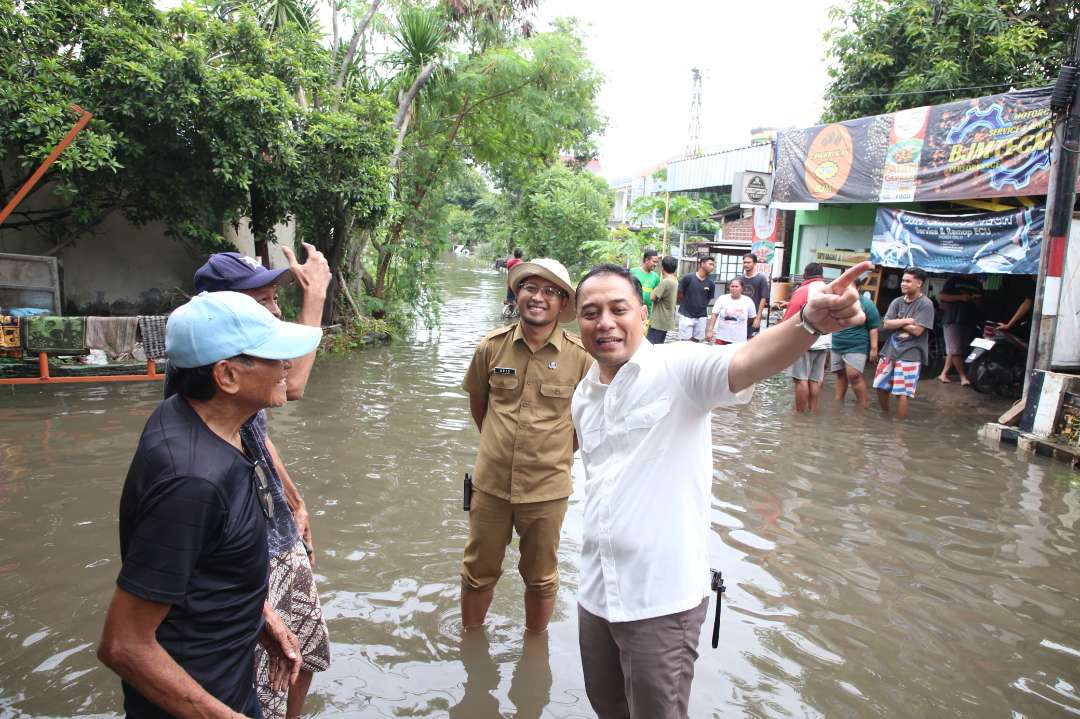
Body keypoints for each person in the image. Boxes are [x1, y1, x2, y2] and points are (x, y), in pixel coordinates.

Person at [571, 261, 871, 719]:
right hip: (595, 592)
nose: (605, 322)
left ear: (643, 316)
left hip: (660, 600)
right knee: (607, 708)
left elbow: (747, 359)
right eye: (591, 312)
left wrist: (808, 322)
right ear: (579, 322)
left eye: (618, 309)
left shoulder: (679, 368)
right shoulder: (583, 396)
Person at [97, 291, 323, 718]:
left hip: (228, 682)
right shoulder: (191, 481)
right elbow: (123, 644)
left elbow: (202, 566)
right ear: (227, 376)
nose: (287, 366)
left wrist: (262, 619)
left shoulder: (196, 421)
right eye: (272, 355)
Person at [171, 248, 334, 719]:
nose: (275, 310)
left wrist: (294, 500)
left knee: (304, 652)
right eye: (262, 301)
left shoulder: (241, 386)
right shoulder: (210, 380)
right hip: (246, 548)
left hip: (277, 528)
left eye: (273, 298)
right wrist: (316, 298)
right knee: (263, 676)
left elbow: (256, 431)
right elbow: (295, 383)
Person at [460, 258, 592, 634]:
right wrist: (497, 445)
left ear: (563, 303)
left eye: (550, 291)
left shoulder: (581, 358)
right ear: (517, 295)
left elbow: (587, 421)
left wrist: (557, 453)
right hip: (491, 485)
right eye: (530, 288)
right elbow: (480, 405)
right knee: (477, 571)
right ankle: (471, 642)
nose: (538, 297)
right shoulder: (491, 347)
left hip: (547, 490)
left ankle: (536, 645)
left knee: (542, 577)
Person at [874, 267, 934, 420]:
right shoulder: (897, 301)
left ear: (919, 283)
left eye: (908, 281)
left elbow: (918, 331)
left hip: (911, 353)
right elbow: (886, 324)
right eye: (903, 280)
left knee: (902, 392)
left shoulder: (925, 304)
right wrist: (907, 320)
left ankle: (898, 427)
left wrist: (897, 322)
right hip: (890, 350)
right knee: (880, 386)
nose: (903, 284)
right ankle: (886, 417)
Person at [782, 263, 830, 412]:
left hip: (804, 342)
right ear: (821, 275)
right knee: (815, 380)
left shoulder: (803, 290)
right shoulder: (830, 289)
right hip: (824, 341)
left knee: (801, 379)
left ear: (804, 274)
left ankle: (801, 416)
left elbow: (790, 316)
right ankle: (813, 412)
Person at [830, 277, 881, 408]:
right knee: (840, 375)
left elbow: (874, 326)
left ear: (858, 288)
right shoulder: (838, 302)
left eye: (849, 287)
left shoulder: (867, 304)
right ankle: (838, 403)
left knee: (854, 376)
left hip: (856, 345)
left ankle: (863, 406)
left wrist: (874, 348)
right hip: (837, 344)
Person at [937, 273, 982, 385]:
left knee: (956, 348)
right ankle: (963, 377)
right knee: (955, 350)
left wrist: (976, 301)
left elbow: (981, 303)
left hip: (968, 319)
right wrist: (961, 297)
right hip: (952, 318)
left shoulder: (977, 284)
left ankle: (944, 373)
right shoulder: (954, 280)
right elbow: (942, 296)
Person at [705, 277, 756, 345]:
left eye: (736, 286)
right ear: (729, 287)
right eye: (732, 286)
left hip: (739, 339)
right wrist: (710, 330)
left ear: (742, 288)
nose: (734, 288)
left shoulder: (748, 301)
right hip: (722, 337)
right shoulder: (722, 298)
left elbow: (751, 317)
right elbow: (714, 315)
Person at [676, 255, 715, 342]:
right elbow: (679, 294)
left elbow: (708, 299)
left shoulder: (711, 283)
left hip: (701, 317)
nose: (712, 267)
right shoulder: (688, 278)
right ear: (702, 264)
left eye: (713, 265)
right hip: (686, 314)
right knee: (685, 342)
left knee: (697, 342)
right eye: (710, 264)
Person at [646, 256, 678, 345]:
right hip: (665, 319)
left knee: (651, 346)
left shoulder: (666, 282)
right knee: (658, 345)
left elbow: (652, 297)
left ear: (662, 268)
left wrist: (653, 288)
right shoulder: (674, 280)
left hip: (659, 321)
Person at [740, 253, 770, 339]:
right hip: (740, 315)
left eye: (749, 262)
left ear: (755, 263)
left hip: (753, 317)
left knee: (750, 341)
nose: (746, 264)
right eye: (744, 262)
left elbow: (763, 298)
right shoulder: (739, 279)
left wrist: (758, 317)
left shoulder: (761, 278)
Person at [630, 249, 661, 317]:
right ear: (646, 260)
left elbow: (656, 297)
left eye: (657, 262)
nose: (656, 264)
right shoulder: (633, 272)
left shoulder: (656, 277)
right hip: (632, 313)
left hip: (647, 315)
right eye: (654, 262)